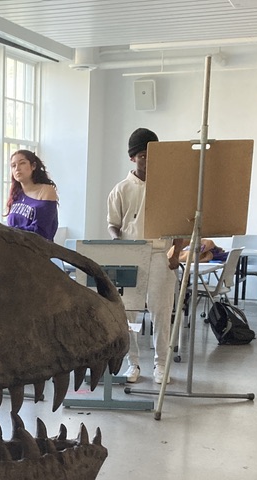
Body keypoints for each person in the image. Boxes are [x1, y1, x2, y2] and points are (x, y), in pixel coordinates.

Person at [107, 127, 177, 384]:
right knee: (128, 313)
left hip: (160, 253)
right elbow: (113, 224)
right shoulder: (121, 189)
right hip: (130, 255)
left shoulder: (168, 188)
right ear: (132, 158)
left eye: (152, 154)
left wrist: (176, 253)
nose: (148, 160)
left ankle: (161, 364)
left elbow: (179, 222)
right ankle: (133, 363)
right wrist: (118, 244)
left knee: (161, 312)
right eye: (142, 155)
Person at [5, 150, 59, 241]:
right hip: (14, 246)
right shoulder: (16, 194)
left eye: (22, 163)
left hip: (37, 247)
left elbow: (42, 231)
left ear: (33, 166)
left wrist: (10, 232)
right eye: (13, 165)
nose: (17, 168)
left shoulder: (46, 190)